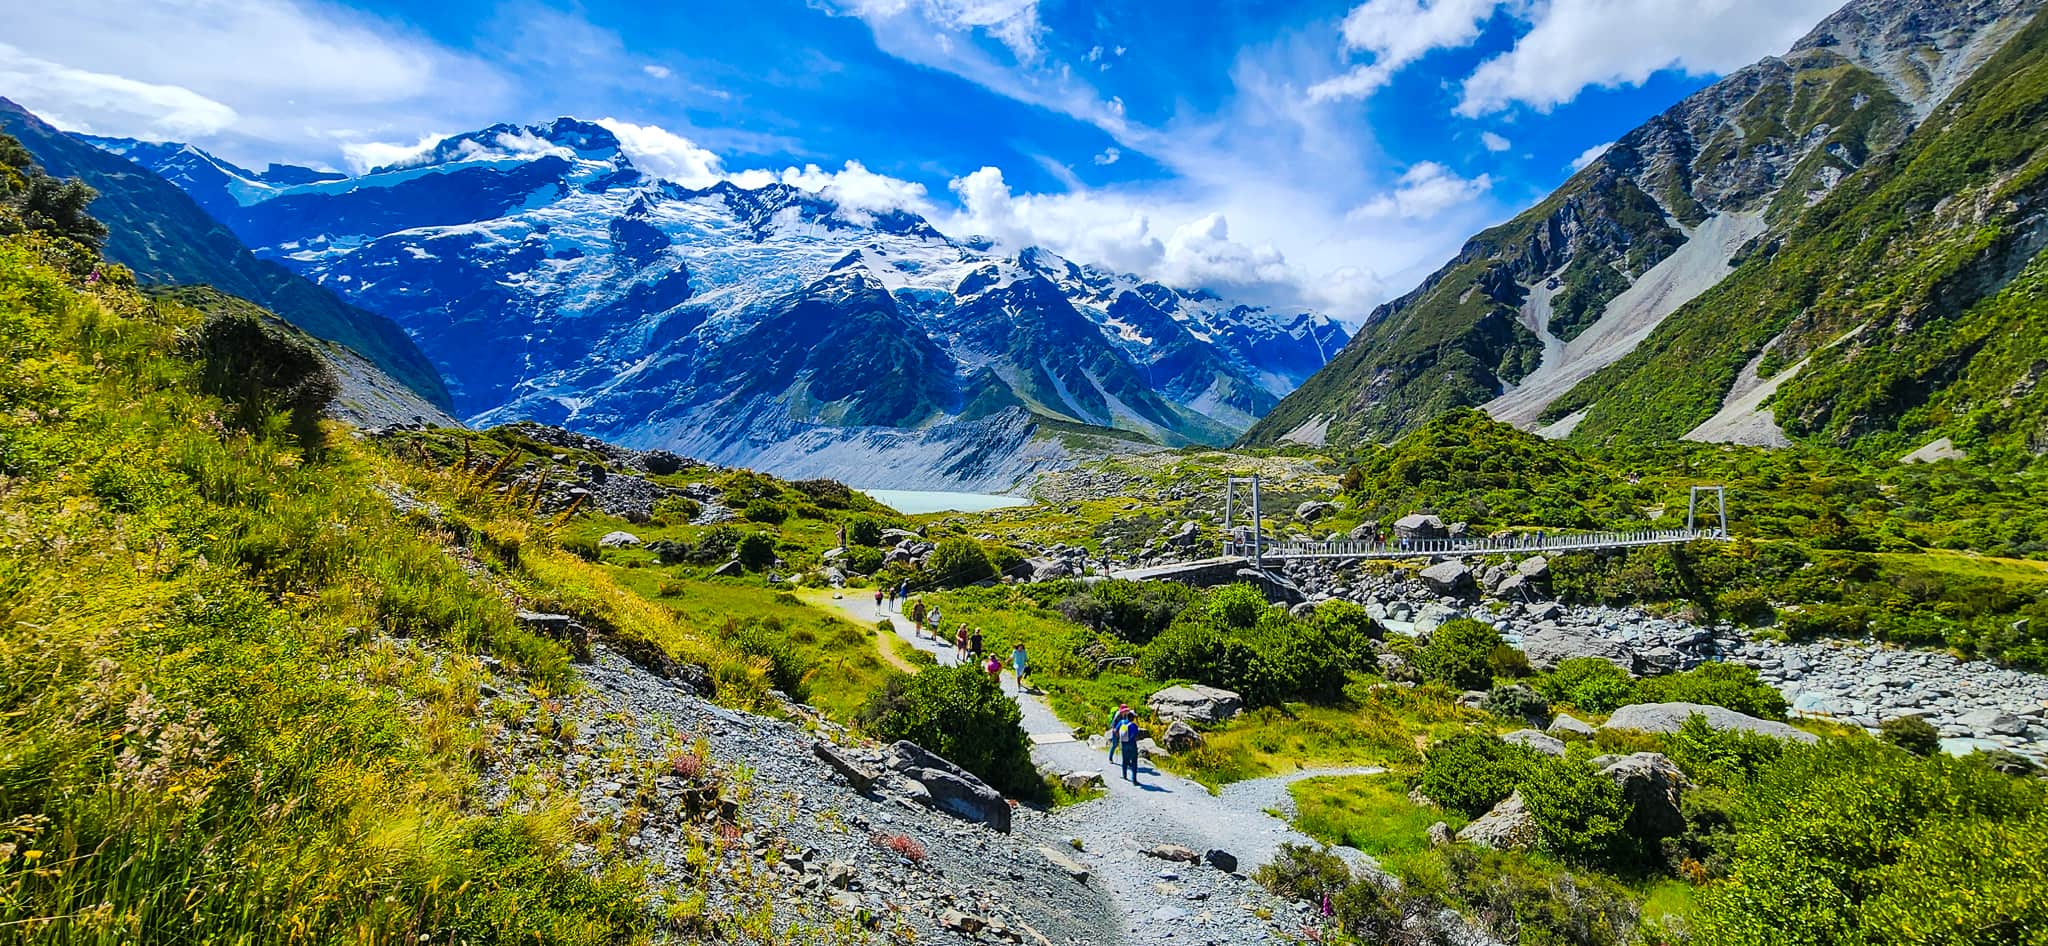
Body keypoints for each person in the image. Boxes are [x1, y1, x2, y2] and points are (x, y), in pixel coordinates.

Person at [1116, 714, 1143, 785]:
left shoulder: (1121, 722)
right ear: (1132, 718)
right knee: (1134, 761)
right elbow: (1136, 735)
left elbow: (1116, 730)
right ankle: (1134, 780)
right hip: (1132, 744)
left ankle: (1124, 776)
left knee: (1125, 760)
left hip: (1123, 743)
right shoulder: (1133, 725)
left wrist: (1120, 739)